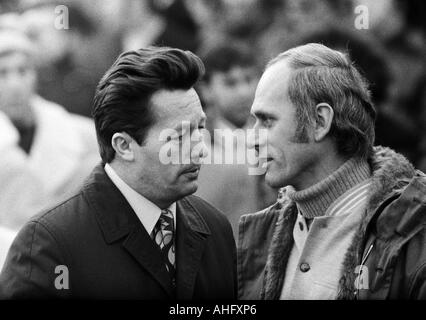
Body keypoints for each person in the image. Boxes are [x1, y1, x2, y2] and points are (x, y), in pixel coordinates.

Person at [0, 46, 237, 299]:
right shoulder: (48, 244)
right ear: (124, 145)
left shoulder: (215, 228)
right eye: (179, 137)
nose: (200, 149)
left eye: (200, 128)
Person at [238, 43, 426, 300]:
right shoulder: (262, 234)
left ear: (320, 122)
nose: (252, 139)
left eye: (267, 121)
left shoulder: (415, 231)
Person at [0, 17, 99, 230]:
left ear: (35, 75)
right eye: (2, 73)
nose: (15, 84)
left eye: (23, 70)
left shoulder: (78, 134)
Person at [195, 44, 277, 240]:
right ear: (206, 90)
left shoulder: (275, 135)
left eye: (249, 79)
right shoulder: (198, 142)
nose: (243, 92)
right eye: (230, 83)